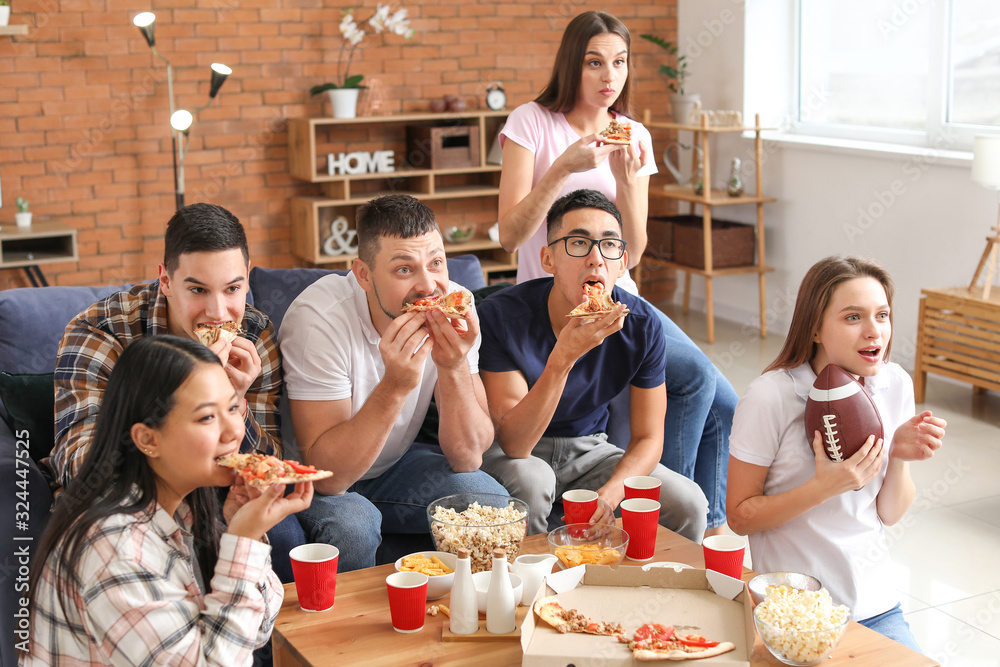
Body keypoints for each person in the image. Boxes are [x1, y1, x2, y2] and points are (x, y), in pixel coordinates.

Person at [496, 9, 736, 537]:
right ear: (571, 66)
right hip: (551, 292)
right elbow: (509, 234)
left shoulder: (634, 135)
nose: (610, 77)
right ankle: (662, 512)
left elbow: (635, 250)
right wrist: (564, 166)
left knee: (720, 397)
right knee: (695, 380)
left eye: (620, 63)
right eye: (595, 62)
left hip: (616, 293)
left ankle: (690, 518)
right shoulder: (530, 122)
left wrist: (628, 184)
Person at [51, 203, 306, 582]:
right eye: (198, 290)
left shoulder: (254, 334)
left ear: (248, 279)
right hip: (129, 496)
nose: (218, 312)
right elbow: (80, 464)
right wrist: (193, 387)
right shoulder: (102, 330)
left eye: (232, 288)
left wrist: (234, 398)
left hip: (219, 490)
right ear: (166, 281)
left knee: (283, 534)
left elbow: (268, 469)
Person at [24, 335, 313, 664]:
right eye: (207, 417)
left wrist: (239, 530)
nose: (234, 431)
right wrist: (243, 543)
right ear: (148, 439)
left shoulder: (183, 512)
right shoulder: (116, 549)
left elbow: (258, 631)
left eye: (233, 407)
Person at [727, 256, 946, 651]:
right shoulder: (770, 396)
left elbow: (889, 513)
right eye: (852, 317)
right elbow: (740, 517)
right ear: (814, 327)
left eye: (882, 315)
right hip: (795, 611)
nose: (873, 331)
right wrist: (823, 487)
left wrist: (897, 455)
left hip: (875, 604)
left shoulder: (894, 383)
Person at [280, 193, 508, 571]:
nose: (428, 286)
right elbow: (329, 477)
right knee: (355, 525)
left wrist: (452, 366)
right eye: (405, 269)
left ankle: (466, 619)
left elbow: (468, 456)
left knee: (491, 502)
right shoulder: (318, 320)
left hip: (393, 468)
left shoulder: (459, 306)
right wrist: (395, 385)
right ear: (363, 274)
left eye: (436, 263)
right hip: (314, 475)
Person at [477, 189, 708, 542]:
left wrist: (613, 493)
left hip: (591, 450)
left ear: (622, 261)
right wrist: (563, 358)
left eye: (609, 245)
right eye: (578, 243)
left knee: (689, 502)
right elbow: (514, 443)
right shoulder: (501, 316)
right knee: (533, 479)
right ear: (548, 259)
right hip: (515, 453)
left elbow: (649, 437)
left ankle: (654, 590)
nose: (596, 258)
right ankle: (538, 589)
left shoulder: (642, 324)